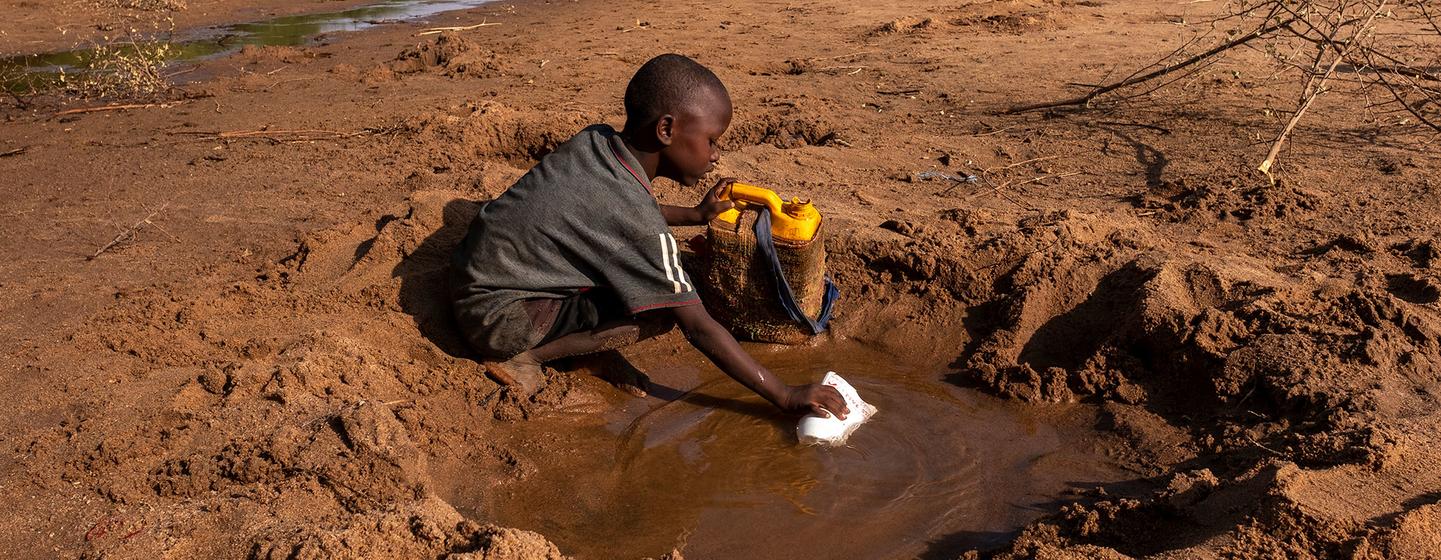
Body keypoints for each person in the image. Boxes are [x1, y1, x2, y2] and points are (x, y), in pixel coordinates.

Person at [449, 54, 848, 420]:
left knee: (642, 272)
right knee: (662, 309)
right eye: (711, 140)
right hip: (500, 321)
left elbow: (607, 214)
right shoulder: (635, 219)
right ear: (667, 129)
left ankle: (582, 349)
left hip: (476, 280)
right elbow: (698, 327)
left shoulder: (597, 142)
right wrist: (784, 393)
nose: (716, 155)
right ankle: (530, 355)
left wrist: (694, 216)